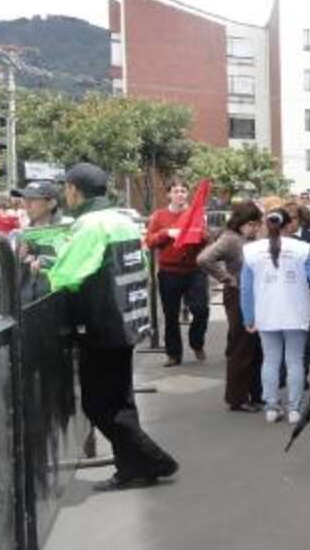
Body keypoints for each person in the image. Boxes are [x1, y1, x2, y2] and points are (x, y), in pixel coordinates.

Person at [45, 163, 178, 492]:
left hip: (100, 326)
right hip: (126, 323)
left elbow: (67, 274)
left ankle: (154, 459)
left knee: (98, 404)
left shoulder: (90, 225)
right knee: (121, 401)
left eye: (67, 188)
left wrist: (44, 269)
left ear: (75, 190)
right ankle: (132, 469)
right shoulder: (122, 221)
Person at [241, 208, 310, 424]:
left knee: (270, 360)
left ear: (267, 225)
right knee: (295, 360)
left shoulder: (251, 250)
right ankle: (294, 408)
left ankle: (271, 407)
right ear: (288, 225)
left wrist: (248, 317)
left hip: (266, 313)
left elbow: (246, 288)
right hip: (297, 311)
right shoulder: (303, 248)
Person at [197, 202, 264, 413]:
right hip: (238, 295)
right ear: (242, 222)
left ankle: (254, 393)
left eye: (257, 224)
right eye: (252, 224)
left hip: (253, 294)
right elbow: (204, 259)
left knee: (254, 347)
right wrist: (227, 278)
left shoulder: (248, 239)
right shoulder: (230, 239)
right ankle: (237, 397)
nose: (255, 228)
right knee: (241, 346)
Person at [145, 180, 209, 367]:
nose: (180, 194)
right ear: (169, 194)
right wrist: (167, 233)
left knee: (201, 310)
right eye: (176, 191)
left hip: (193, 271)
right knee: (170, 315)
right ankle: (173, 354)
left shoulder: (195, 214)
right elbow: (149, 241)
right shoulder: (159, 216)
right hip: (169, 272)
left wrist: (195, 233)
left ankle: (196, 342)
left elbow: (206, 238)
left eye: (183, 191)